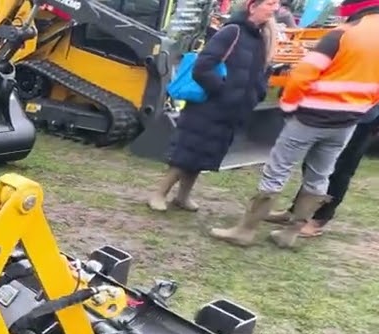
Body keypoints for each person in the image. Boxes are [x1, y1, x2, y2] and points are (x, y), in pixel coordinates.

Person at [210, 0, 379, 247]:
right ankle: (290, 234)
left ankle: (245, 231)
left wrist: (289, 106)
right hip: (348, 122)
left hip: (311, 117)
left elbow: (303, 74)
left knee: (277, 170)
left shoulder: (342, 35)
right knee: (320, 176)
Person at [146, 0, 280, 213]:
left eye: (278, 4)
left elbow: (260, 73)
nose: (276, 8)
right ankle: (159, 193)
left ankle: (182, 197)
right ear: (252, 6)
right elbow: (203, 67)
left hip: (231, 111)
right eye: (271, 3)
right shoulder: (232, 32)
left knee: (204, 155)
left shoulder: (259, 38)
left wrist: (256, 95)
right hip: (209, 107)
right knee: (187, 153)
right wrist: (222, 91)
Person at [264, 103, 379, 237]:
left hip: (361, 116)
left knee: (341, 167)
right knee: (315, 163)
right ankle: (296, 212)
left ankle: (319, 219)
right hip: (330, 110)